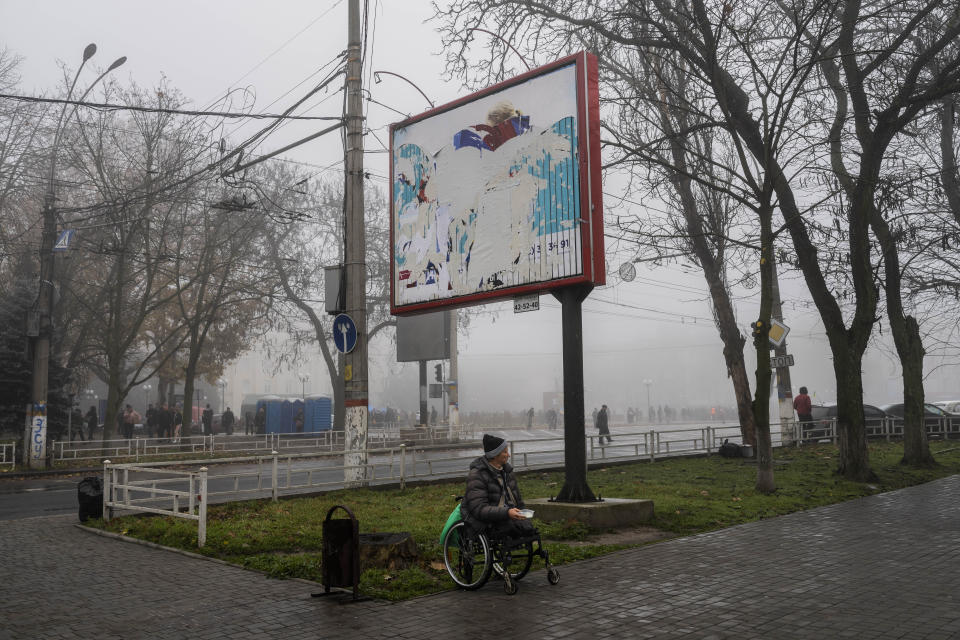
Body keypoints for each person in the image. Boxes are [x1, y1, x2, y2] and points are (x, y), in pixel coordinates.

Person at [461, 434, 534, 540]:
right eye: (505, 452)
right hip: (486, 522)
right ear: (495, 455)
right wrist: (507, 513)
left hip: (505, 516)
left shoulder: (507, 472)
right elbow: (479, 509)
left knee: (528, 528)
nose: (508, 455)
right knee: (511, 528)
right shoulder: (477, 475)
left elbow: (518, 501)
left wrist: (522, 513)